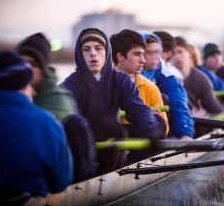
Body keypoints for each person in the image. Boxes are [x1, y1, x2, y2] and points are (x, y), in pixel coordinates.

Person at [0, 51, 72, 204]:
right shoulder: (47, 124)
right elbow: (60, 183)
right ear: (23, 85)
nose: (34, 92)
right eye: (30, 85)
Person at [60, 28, 165, 174]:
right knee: (106, 125)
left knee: (157, 122)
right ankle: (86, 176)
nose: (92, 54)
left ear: (106, 52)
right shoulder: (70, 86)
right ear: (79, 54)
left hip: (112, 145)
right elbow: (71, 126)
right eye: (86, 49)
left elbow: (138, 109)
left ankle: (134, 169)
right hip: (83, 150)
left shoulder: (120, 79)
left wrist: (150, 130)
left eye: (98, 48)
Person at [16, 32, 98, 183]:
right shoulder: (3, 92)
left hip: (60, 173)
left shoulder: (59, 99)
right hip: (20, 168)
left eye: (33, 64)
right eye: (21, 63)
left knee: (77, 123)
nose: (26, 69)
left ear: (44, 69)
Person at [110, 29, 168, 163]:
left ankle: (134, 167)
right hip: (112, 135)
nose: (143, 60)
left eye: (143, 54)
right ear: (120, 56)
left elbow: (164, 126)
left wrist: (150, 118)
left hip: (140, 135)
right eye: (137, 54)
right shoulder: (103, 83)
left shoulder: (150, 87)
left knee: (158, 122)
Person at [138, 31, 194, 140]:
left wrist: (185, 133)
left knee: (165, 99)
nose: (155, 57)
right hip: (132, 124)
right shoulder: (125, 71)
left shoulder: (166, 73)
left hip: (157, 126)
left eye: (157, 52)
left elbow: (179, 104)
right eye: (149, 53)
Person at [172, 37, 224, 137]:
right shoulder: (166, 78)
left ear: (189, 54)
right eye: (174, 53)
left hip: (199, 126)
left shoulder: (202, 79)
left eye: (180, 52)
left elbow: (215, 110)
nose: (177, 57)